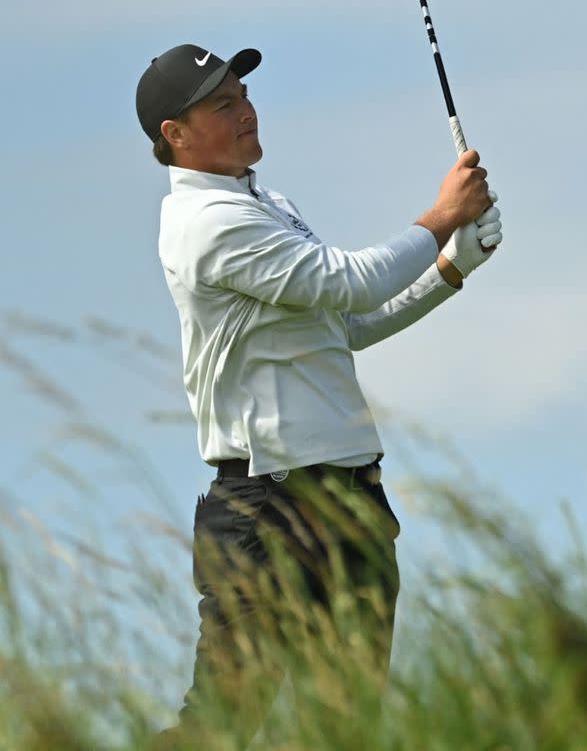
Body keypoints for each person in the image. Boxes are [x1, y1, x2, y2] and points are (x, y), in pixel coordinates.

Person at [135, 43, 502, 748]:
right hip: (269, 510)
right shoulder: (205, 224)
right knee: (220, 728)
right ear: (174, 136)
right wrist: (439, 218)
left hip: (350, 499)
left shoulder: (268, 205)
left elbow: (345, 325)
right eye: (222, 104)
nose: (246, 111)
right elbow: (348, 282)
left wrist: (450, 267)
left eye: (242, 95)